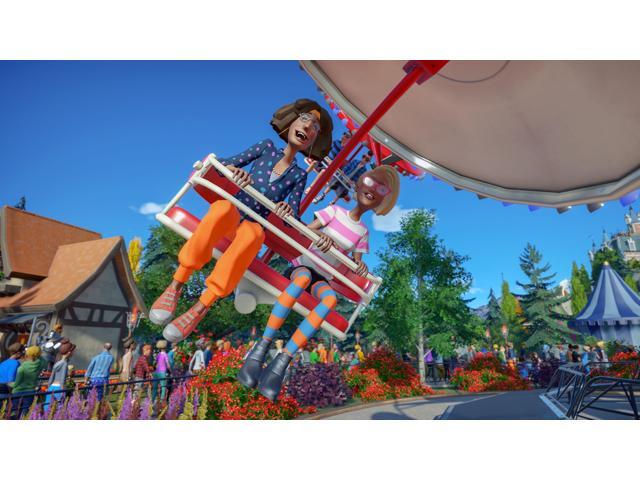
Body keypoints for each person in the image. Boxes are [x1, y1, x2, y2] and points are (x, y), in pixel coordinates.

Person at [149, 99, 333, 343]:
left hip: (252, 224)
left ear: (313, 141)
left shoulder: (298, 175)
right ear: (291, 123)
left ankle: (201, 307)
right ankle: (176, 284)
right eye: (305, 120)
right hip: (232, 214)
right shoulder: (266, 148)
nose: (308, 128)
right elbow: (226, 163)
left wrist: (288, 210)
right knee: (223, 208)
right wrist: (236, 172)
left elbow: (294, 216)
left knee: (254, 234)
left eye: (315, 129)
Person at [238, 165, 400, 401]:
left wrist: (361, 267)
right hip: (303, 265)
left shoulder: (363, 232)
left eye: (381, 189)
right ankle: (260, 350)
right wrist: (320, 235)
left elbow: (356, 262)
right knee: (303, 278)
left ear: (383, 200)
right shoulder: (334, 211)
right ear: (358, 184)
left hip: (323, 278)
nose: (373, 190)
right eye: (370, 183)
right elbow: (305, 229)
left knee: (330, 299)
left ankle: (281, 362)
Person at [11, 346, 47, 417]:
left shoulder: (22, 368)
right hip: (30, 392)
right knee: (26, 413)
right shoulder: (39, 365)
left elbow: (16, 384)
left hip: (18, 392)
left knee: (15, 412)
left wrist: (8, 384)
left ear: (27, 354)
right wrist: (38, 354)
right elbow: (44, 362)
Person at [45, 341, 76, 409]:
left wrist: (48, 387)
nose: (74, 353)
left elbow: (51, 378)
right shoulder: (64, 363)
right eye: (73, 351)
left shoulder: (57, 363)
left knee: (48, 407)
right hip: (59, 388)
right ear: (69, 352)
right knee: (57, 408)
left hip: (52, 387)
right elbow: (62, 379)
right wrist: (62, 391)